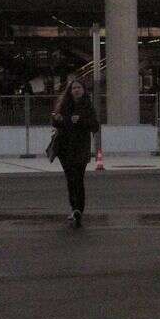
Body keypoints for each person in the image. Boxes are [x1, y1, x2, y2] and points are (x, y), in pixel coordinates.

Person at [51, 77, 100, 228]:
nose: (76, 90)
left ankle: (78, 209)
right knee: (71, 179)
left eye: (79, 87)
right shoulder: (64, 105)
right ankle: (74, 207)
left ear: (84, 90)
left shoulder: (87, 106)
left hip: (80, 148)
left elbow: (95, 126)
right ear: (70, 91)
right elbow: (57, 123)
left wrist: (80, 121)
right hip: (65, 148)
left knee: (78, 178)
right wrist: (58, 119)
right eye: (73, 88)